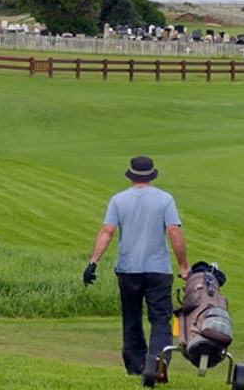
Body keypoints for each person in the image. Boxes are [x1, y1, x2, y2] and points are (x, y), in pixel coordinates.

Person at [82, 155, 189, 378]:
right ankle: (158, 363)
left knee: (132, 319)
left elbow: (107, 232)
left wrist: (93, 262)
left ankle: (135, 367)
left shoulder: (118, 200)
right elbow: (174, 232)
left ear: (131, 175)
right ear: (151, 175)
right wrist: (184, 266)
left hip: (128, 269)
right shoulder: (165, 199)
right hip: (158, 270)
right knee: (160, 319)